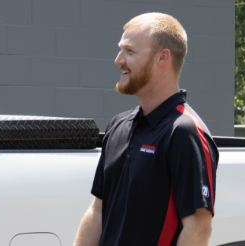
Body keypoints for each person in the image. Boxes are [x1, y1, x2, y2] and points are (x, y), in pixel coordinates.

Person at [72, 13, 219, 246]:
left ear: (162, 58)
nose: (118, 59)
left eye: (129, 51)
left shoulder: (185, 132)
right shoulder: (118, 126)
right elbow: (97, 211)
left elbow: (199, 228)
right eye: (121, 50)